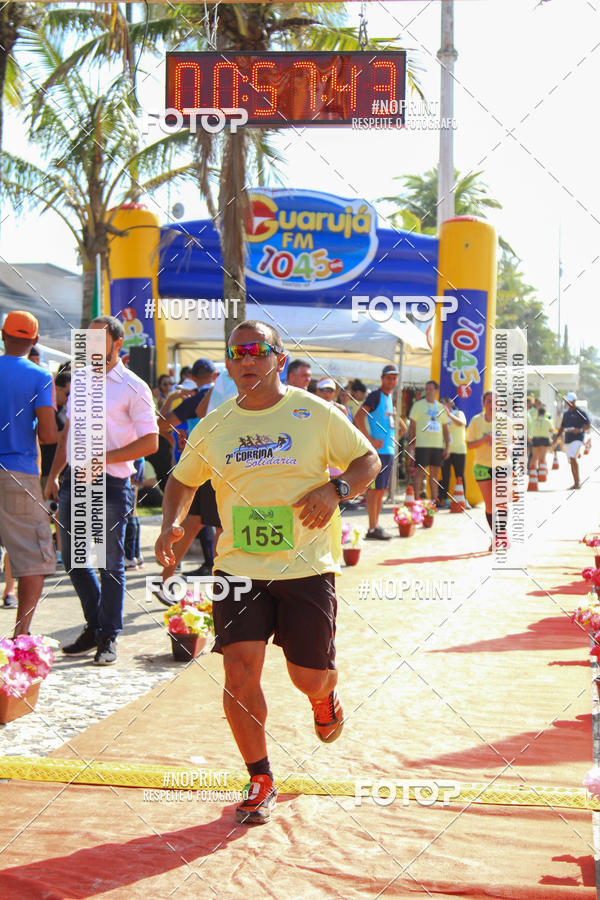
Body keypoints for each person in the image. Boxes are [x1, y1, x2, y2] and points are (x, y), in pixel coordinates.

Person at [155, 320, 380, 825]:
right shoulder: (212, 425)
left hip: (307, 568)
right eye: (238, 352)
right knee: (238, 673)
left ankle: (326, 697)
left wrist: (335, 491)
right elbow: (182, 481)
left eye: (259, 350)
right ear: (229, 363)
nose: (248, 359)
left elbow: (368, 461)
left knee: (308, 677)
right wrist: (170, 523)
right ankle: (259, 776)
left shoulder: (315, 412)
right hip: (238, 567)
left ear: (279, 357)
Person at [45, 316, 158, 665]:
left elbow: (151, 442)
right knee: (74, 561)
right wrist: (53, 475)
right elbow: (69, 433)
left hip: (112, 483)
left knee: (109, 562)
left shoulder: (134, 386)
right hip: (74, 479)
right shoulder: (78, 379)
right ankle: (96, 626)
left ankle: (108, 635)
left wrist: (103, 457)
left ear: (117, 344)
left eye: (98, 340)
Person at [0, 311, 57, 635]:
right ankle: (20, 637)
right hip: (17, 472)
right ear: (34, 341)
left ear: (3, 335)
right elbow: (48, 435)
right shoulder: (39, 375)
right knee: (32, 558)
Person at [156, 359, 219, 588]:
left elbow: (161, 425)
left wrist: (173, 399)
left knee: (192, 523)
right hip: (214, 468)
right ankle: (222, 586)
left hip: (191, 468)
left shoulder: (192, 401)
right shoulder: (220, 397)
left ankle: (165, 579)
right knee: (219, 526)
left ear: (192, 375)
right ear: (214, 376)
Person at [354, 365, 403, 540]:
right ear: (382, 378)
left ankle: (375, 526)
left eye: (394, 378)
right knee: (374, 490)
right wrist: (369, 440)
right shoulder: (375, 396)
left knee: (381, 490)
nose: (392, 381)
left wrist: (397, 435)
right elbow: (359, 416)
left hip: (388, 450)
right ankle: (372, 527)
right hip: (379, 452)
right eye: (389, 378)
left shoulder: (390, 398)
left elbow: (398, 425)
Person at [406, 380, 449, 505]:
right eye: (427, 389)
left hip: (437, 446)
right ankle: (416, 499)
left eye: (431, 389)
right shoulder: (418, 405)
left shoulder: (441, 407)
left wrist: (447, 446)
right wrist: (411, 445)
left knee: (434, 474)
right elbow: (412, 426)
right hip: (422, 445)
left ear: (436, 391)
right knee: (420, 472)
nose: (428, 391)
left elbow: (445, 429)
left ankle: (434, 501)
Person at [467, 391, 495, 550]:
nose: (492, 405)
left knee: (501, 503)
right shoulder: (476, 422)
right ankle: (496, 536)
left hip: (502, 465)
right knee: (490, 505)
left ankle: (500, 536)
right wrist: (484, 440)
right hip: (482, 466)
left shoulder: (505, 422)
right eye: (489, 401)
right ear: (484, 404)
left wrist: (508, 448)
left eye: (495, 401)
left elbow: (515, 443)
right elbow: (470, 445)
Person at [556, 392, 590, 490]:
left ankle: (577, 482)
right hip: (568, 440)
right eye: (567, 401)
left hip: (578, 439)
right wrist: (556, 438)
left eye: (569, 401)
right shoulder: (566, 414)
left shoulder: (581, 412)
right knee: (571, 460)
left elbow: (588, 424)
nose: (568, 403)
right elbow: (562, 427)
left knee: (573, 458)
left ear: (574, 401)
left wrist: (579, 430)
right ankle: (575, 482)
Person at [438, 398, 467, 508]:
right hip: (445, 449)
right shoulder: (440, 416)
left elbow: (461, 423)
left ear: (449, 404)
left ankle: (464, 499)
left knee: (459, 475)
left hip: (459, 450)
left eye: (443, 404)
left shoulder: (459, 413)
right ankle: (444, 499)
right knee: (445, 475)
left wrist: (449, 414)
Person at [530, 405, 553, 477]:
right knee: (542, 458)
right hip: (544, 439)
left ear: (538, 413)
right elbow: (551, 430)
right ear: (545, 413)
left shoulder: (533, 420)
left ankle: (532, 472)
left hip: (536, 439)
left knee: (534, 457)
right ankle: (541, 473)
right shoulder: (547, 421)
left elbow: (531, 429)